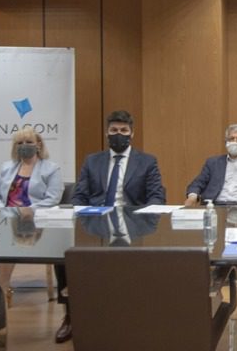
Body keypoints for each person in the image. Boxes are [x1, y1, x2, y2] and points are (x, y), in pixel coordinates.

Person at [53, 110, 166, 343]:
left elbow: (156, 197)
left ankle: (135, 315)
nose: (118, 134)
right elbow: (79, 195)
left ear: (132, 133)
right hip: (96, 225)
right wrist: (82, 216)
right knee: (64, 255)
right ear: (106, 133)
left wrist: (143, 219)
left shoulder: (147, 161)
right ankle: (71, 315)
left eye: (124, 130)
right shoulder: (92, 161)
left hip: (134, 226)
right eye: (114, 130)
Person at [0, 126, 63, 315]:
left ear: (38, 145)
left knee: (7, 238)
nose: (24, 146)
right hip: (6, 215)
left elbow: (53, 198)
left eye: (29, 142)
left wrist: (30, 209)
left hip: (33, 221)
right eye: (20, 143)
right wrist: (3, 209)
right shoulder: (7, 167)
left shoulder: (51, 168)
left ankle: (3, 288)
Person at [184, 124, 237, 206]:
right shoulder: (213, 163)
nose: (235, 142)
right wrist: (192, 197)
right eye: (231, 138)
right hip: (215, 206)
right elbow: (198, 183)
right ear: (226, 142)